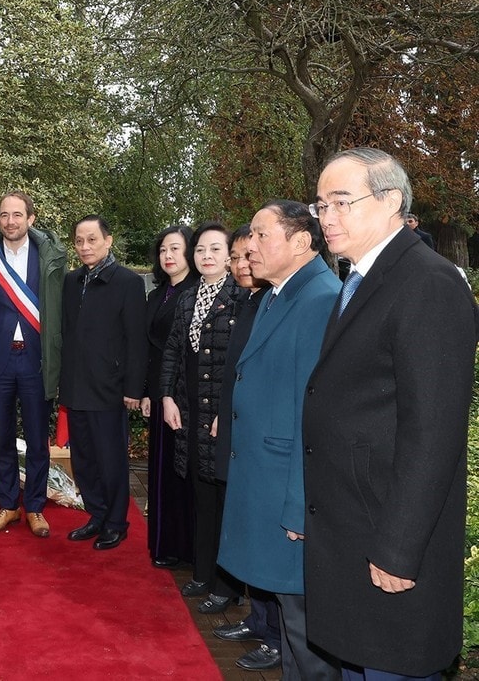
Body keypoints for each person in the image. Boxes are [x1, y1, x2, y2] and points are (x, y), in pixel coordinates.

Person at [303, 148, 478, 681]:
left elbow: (434, 433)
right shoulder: (362, 277)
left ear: (391, 203)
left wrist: (399, 549)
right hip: (353, 530)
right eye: (319, 204)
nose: (326, 217)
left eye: (340, 202)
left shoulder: (429, 282)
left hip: (390, 540)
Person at [217, 200, 341, 681]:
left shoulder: (318, 299)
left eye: (262, 235)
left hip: (289, 491)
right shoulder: (277, 294)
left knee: (306, 634)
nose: (250, 246)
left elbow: (315, 418)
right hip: (267, 480)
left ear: (301, 242)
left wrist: (299, 506)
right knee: (292, 632)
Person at [0, 190, 66, 537]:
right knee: (2, 437)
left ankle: (35, 507)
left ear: (31, 219)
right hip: (0, 360)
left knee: (37, 440)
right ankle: (8, 505)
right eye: (5, 215)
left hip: (37, 359)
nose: (11, 221)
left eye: (18, 215)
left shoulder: (50, 255)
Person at [159, 222, 243, 611]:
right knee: (201, 493)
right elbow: (173, 352)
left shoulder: (241, 297)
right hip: (189, 408)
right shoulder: (188, 297)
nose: (206, 256)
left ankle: (226, 588)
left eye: (214, 249)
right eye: (200, 251)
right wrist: (166, 397)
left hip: (220, 413)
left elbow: (244, 363)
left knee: (225, 498)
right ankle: (202, 574)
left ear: (229, 255)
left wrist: (229, 412)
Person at [210, 225, 282, 673]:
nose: (240, 265)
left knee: (267, 533)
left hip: (265, 439)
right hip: (239, 426)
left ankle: (276, 636)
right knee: (249, 526)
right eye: (235, 258)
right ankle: (257, 619)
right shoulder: (253, 301)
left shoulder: (275, 302)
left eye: (244, 256)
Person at [60, 215, 146, 550]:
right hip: (76, 387)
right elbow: (68, 334)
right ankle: (96, 515)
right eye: (79, 241)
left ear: (108, 241)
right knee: (84, 460)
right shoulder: (71, 282)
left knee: (111, 460)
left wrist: (132, 389)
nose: (84, 247)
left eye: (92, 239)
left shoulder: (127, 282)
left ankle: (115, 522)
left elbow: (136, 340)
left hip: (110, 389)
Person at [141, 225, 198, 568]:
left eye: (175, 249)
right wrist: (148, 392)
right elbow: (151, 349)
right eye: (163, 250)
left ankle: (185, 546)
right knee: (161, 469)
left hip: (185, 396)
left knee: (183, 472)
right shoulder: (157, 294)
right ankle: (165, 543)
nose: (168, 256)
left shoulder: (195, 292)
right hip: (161, 392)